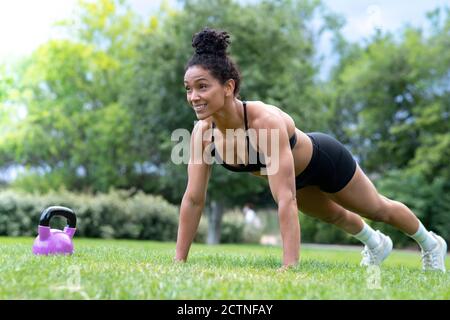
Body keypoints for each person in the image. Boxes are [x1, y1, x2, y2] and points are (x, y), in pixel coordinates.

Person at [175, 27, 447, 271]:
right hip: (296, 179)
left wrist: (289, 266)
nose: (193, 97)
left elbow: (285, 198)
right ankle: (376, 244)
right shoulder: (203, 133)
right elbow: (193, 199)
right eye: (189, 89)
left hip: (324, 160)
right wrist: (180, 261)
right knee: (336, 216)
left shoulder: (262, 122)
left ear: (228, 87)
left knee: (377, 209)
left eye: (202, 87)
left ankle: (431, 243)